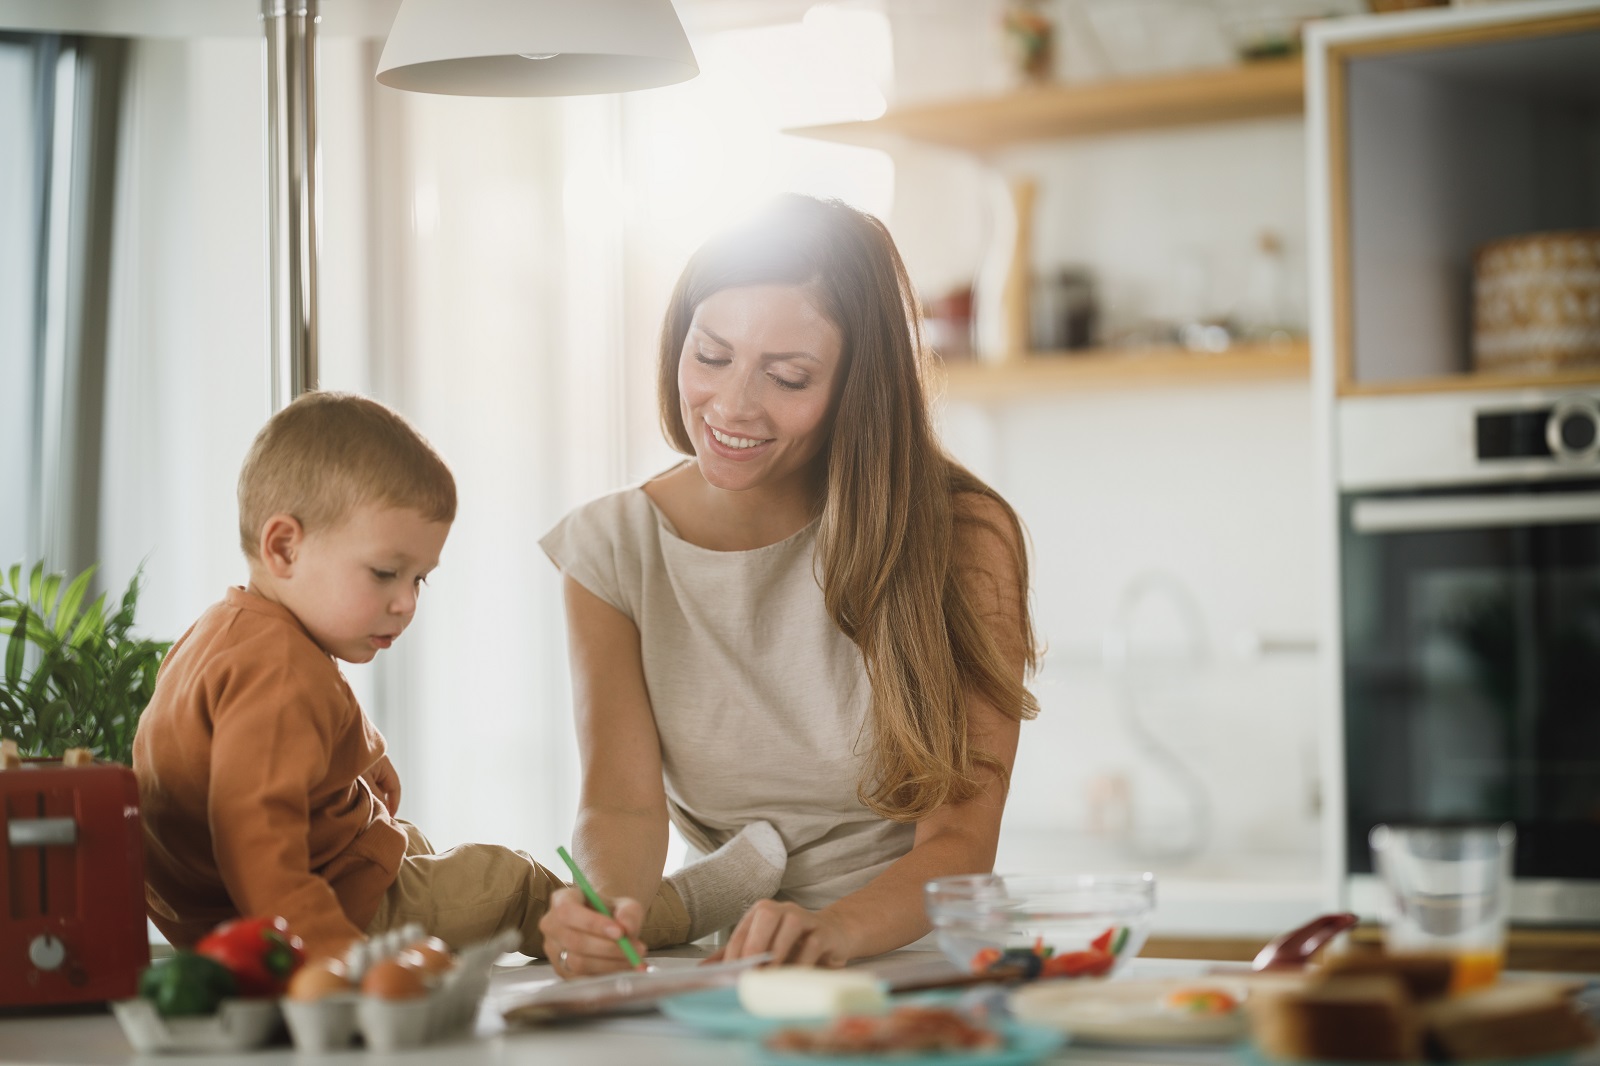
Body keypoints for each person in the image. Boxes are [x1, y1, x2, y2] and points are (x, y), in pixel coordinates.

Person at [538, 195, 1039, 975]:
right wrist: (607, 911)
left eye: (788, 376)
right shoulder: (613, 550)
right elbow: (621, 804)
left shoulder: (961, 538)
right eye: (710, 356)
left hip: (921, 960)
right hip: (740, 966)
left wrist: (833, 931)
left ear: (857, 389)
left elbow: (960, 840)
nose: (732, 406)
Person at [133, 391, 778, 961]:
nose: (407, 601)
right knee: (509, 885)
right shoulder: (275, 673)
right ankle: (679, 908)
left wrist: (360, 764)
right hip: (310, 912)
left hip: (251, 894)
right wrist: (336, 964)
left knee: (413, 845)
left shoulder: (227, 631)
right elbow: (257, 843)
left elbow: (266, 756)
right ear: (284, 547)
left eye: (419, 579)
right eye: (385, 573)